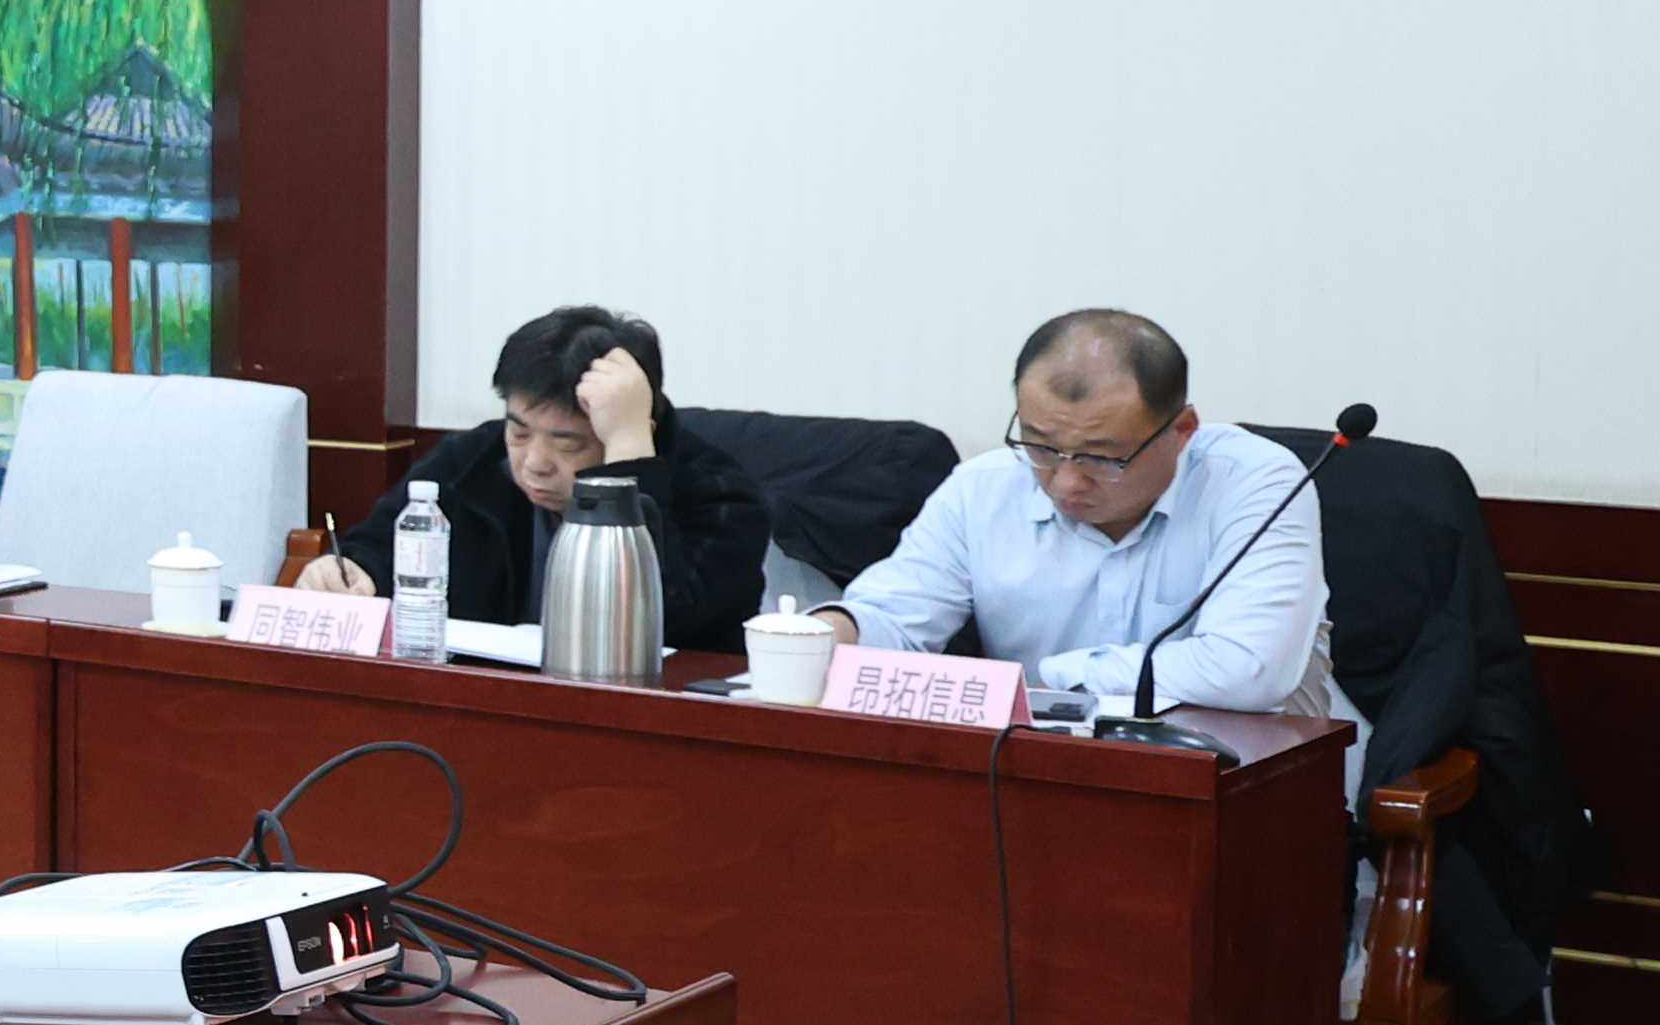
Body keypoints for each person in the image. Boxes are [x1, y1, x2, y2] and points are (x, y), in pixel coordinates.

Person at [821, 309, 1345, 740]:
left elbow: (1247, 669)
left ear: (1182, 430)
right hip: (1044, 782)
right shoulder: (984, 489)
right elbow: (896, 618)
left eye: (1103, 456)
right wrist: (823, 637)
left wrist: (1058, 675)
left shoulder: (1253, 481)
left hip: (1243, 783)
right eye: (1041, 445)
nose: (1066, 482)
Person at [318, 304, 768, 651]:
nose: (534, 462)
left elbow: (667, 625)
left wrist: (629, 463)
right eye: (519, 432)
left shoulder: (721, 496)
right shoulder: (471, 461)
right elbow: (376, 550)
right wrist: (352, 572)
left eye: (567, 444)